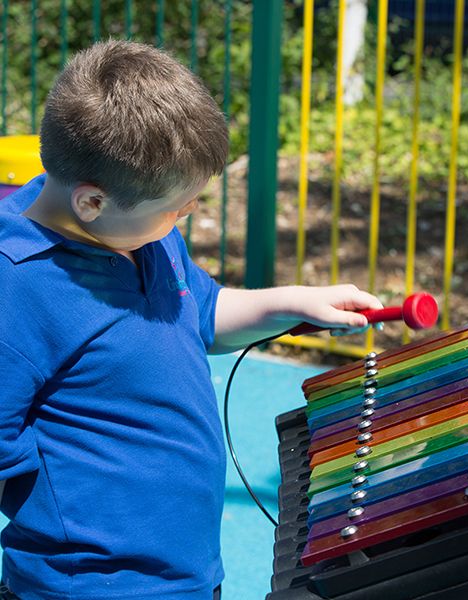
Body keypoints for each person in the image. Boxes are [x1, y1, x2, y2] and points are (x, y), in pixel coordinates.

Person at [0, 40, 383, 599]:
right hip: (91, 587)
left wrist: (291, 303)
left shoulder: (140, 237)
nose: (185, 219)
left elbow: (201, 311)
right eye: (176, 211)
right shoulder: (17, 290)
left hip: (189, 574)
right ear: (91, 203)